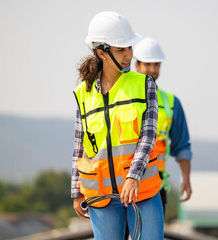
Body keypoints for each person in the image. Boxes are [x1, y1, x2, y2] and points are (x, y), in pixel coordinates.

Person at [71, 12, 164, 240]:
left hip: (141, 191)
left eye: (130, 48)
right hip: (101, 197)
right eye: (121, 50)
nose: (129, 55)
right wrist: (76, 190)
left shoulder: (144, 84)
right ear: (102, 53)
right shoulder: (83, 93)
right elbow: (79, 146)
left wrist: (133, 176)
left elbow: (148, 136)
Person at [134, 37, 192, 215]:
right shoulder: (123, 99)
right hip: (124, 181)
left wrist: (186, 179)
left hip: (156, 183)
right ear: (137, 65)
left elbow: (182, 145)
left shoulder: (171, 103)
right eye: (148, 64)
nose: (152, 69)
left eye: (156, 64)